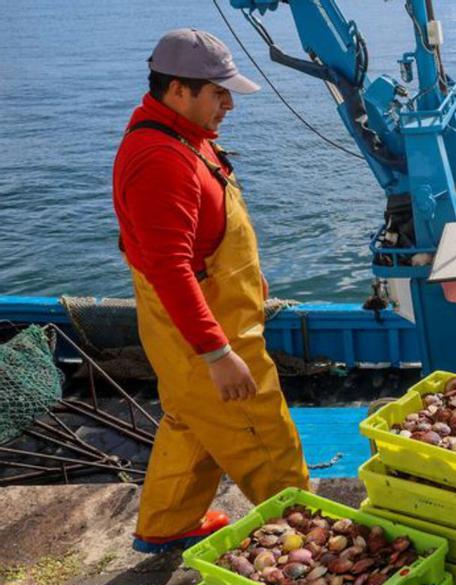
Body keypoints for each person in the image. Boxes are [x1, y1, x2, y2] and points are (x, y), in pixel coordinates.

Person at [112, 29, 309, 553]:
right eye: (218, 93)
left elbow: (203, 237)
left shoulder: (182, 137)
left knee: (190, 423)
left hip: (191, 332)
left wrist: (250, 275)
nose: (228, 105)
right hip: (208, 333)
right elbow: (171, 269)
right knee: (262, 431)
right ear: (178, 89)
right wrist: (218, 353)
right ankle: (309, 538)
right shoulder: (161, 161)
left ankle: (167, 525)